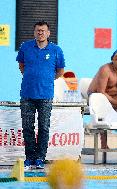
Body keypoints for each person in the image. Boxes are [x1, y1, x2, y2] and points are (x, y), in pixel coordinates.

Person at [16, 20, 65, 169]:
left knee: (44, 127)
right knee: (27, 127)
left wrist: (46, 79)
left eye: (43, 30)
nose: (40, 33)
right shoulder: (25, 47)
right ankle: (29, 157)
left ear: (48, 33)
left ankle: (40, 158)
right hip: (27, 94)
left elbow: (60, 71)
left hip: (45, 95)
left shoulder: (56, 50)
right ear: (34, 32)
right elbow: (21, 66)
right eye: (38, 30)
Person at [88, 50, 117, 149]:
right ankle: (103, 143)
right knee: (102, 106)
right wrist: (116, 102)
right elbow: (101, 91)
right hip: (97, 96)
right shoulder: (105, 69)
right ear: (112, 60)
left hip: (115, 97)